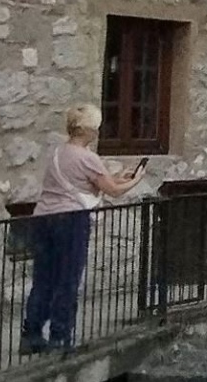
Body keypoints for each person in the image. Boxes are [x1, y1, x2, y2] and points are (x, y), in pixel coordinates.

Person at [22, 104, 144, 352]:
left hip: (44, 217)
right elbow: (113, 191)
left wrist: (121, 175)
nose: (97, 133)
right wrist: (136, 180)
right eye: (96, 128)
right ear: (88, 130)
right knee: (68, 279)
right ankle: (60, 335)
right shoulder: (88, 158)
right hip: (71, 220)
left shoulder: (59, 153)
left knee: (44, 278)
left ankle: (31, 333)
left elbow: (90, 183)